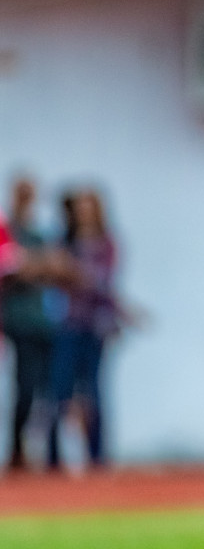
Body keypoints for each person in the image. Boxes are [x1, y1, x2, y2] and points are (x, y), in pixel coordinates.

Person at [45, 188, 125, 470]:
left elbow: (102, 281)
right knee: (60, 391)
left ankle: (96, 456)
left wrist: (71, 271)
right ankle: (53, 459)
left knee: (93, 392)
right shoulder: (63, 240)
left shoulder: (106, 243)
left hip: (95, 326)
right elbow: (52, 274)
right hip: (67, 324)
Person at [2, 176, 56, 472]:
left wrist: (31, 265)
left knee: (46, 390)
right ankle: (16, 450)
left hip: (44, 322)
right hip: (19, 321)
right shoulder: (9, 230)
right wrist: (34, 266)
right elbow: (12, 269)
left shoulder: (38, 233)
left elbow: (57, 268)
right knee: (24, 388)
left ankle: (44, 451)